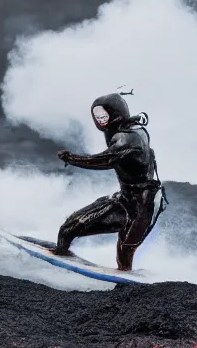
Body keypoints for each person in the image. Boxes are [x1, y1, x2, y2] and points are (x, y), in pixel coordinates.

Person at [53, 92, 167, 271]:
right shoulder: (121, 131)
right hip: (124, 198)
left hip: (145, 203)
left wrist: (73, 158)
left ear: (117, 113)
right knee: (69, 228)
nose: (101, 121)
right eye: (97, 117)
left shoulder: (129, 137)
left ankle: (126, 287)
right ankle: (58, 263)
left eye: (104, 116)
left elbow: (106, 160)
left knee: (125, 250)